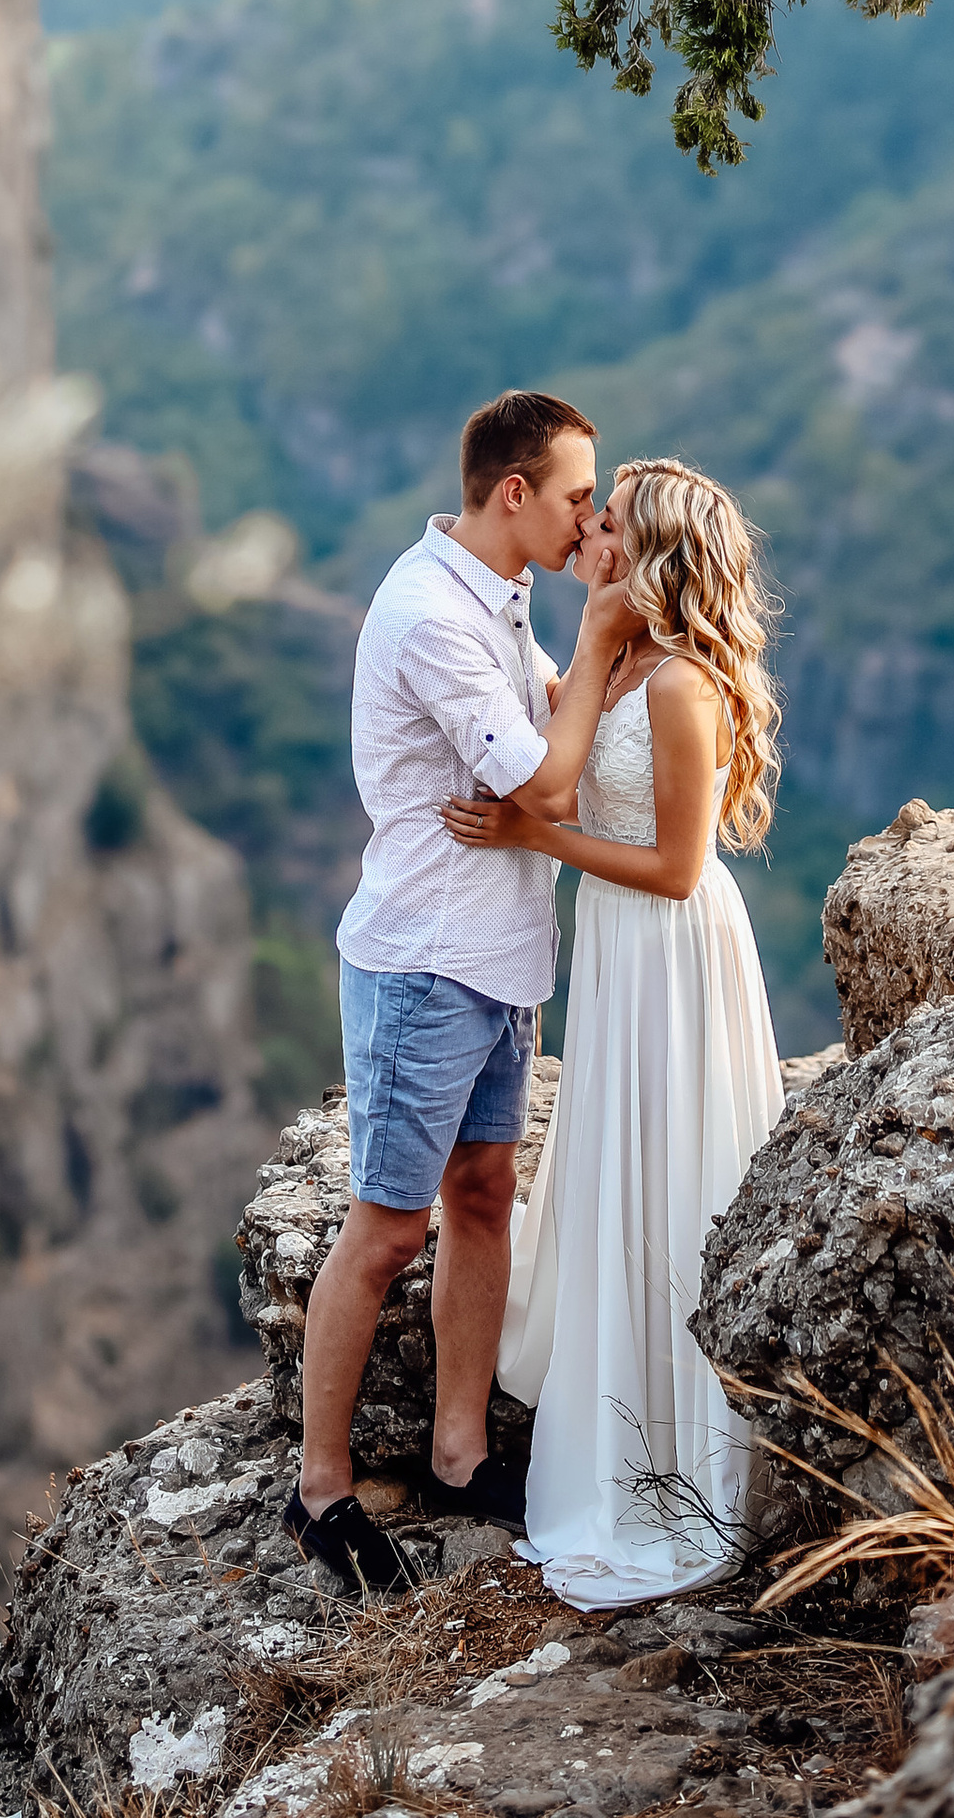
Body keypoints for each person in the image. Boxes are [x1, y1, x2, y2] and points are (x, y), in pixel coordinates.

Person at [285, 386, 645, 1600]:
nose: (587, 520)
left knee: (484, 1193)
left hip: (501, 958)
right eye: (578, 498)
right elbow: (544, 784)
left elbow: (544, 723)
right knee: (388, 1228)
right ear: (513, 493)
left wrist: (594, 655)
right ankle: (321, 1490)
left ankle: (457, 1452)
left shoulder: (500, 595)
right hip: (423, 963)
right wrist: (600, 644)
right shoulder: (427, 613)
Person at [441, 455, 785, 1607]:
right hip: (618, 953)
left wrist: (533, 845)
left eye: (612, 524)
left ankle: (682, 1469)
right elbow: (545, 769)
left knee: (677, 1188)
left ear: (653, 557)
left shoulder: (684, 685)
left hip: (672, 951)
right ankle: (611, 1438)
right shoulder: (615, 657)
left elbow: (681, 870)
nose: (589, 531)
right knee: (617, 1185)